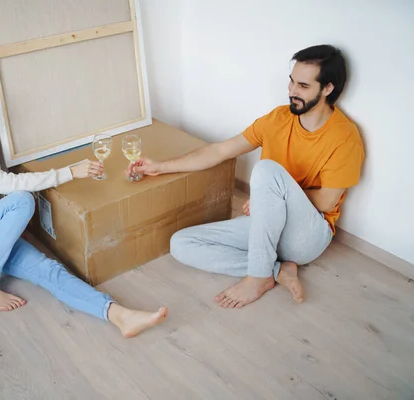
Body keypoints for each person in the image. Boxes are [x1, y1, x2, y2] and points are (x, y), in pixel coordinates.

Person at [0, 80, 167, 337]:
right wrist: (71, 171)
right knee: (22, 199)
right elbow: (10, 185)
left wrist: (9, 227)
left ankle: (119, 316)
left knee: (48, 269)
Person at [131, 45, 364, 309]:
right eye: (291, 81)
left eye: (302, 85)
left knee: (266, 170)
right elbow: (220, 150)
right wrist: (160, 167)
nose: (291, 91)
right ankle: (277, 271)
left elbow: (326, 202)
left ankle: (258, 276)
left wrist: (271, 197)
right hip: (268, 224)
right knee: (181, 244)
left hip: (307, 236)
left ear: (327, 89)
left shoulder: (344, 137)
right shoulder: (278, 118)